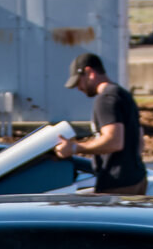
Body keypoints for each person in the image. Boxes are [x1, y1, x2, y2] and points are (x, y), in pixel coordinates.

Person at [56, 53, 147, 194]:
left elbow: (114, 141)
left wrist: (74, 148)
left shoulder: (105, 98)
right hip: (137, 178)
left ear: (89, 72)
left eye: (78, 82)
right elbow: (139, 139)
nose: (78, 88)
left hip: (117, 183)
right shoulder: (122, 94)